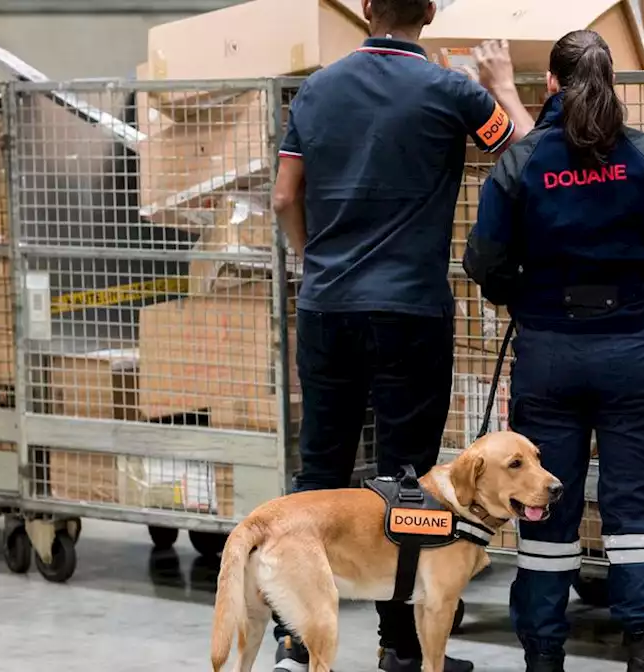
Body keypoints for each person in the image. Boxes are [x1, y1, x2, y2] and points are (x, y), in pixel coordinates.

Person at [269, 0, 535, 669]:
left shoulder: (317, 90)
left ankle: (297, 641)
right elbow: (527, 162)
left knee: (321, 468)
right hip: (411, 311)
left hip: (327, 309)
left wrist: (312, 261)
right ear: (432, 10)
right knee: (407, 481)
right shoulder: (451, 90)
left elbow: (282, 196)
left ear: (365, 9)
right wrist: (501, 83)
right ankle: (402, 646)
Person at [463, 29, 644, 672]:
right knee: (635, 509)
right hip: (634, 351)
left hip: (549, 353)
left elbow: (482, 261)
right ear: (612, 85)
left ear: (548, 84)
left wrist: (527, 293)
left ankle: (544, 652)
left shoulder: (520, 163)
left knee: (543, 503)